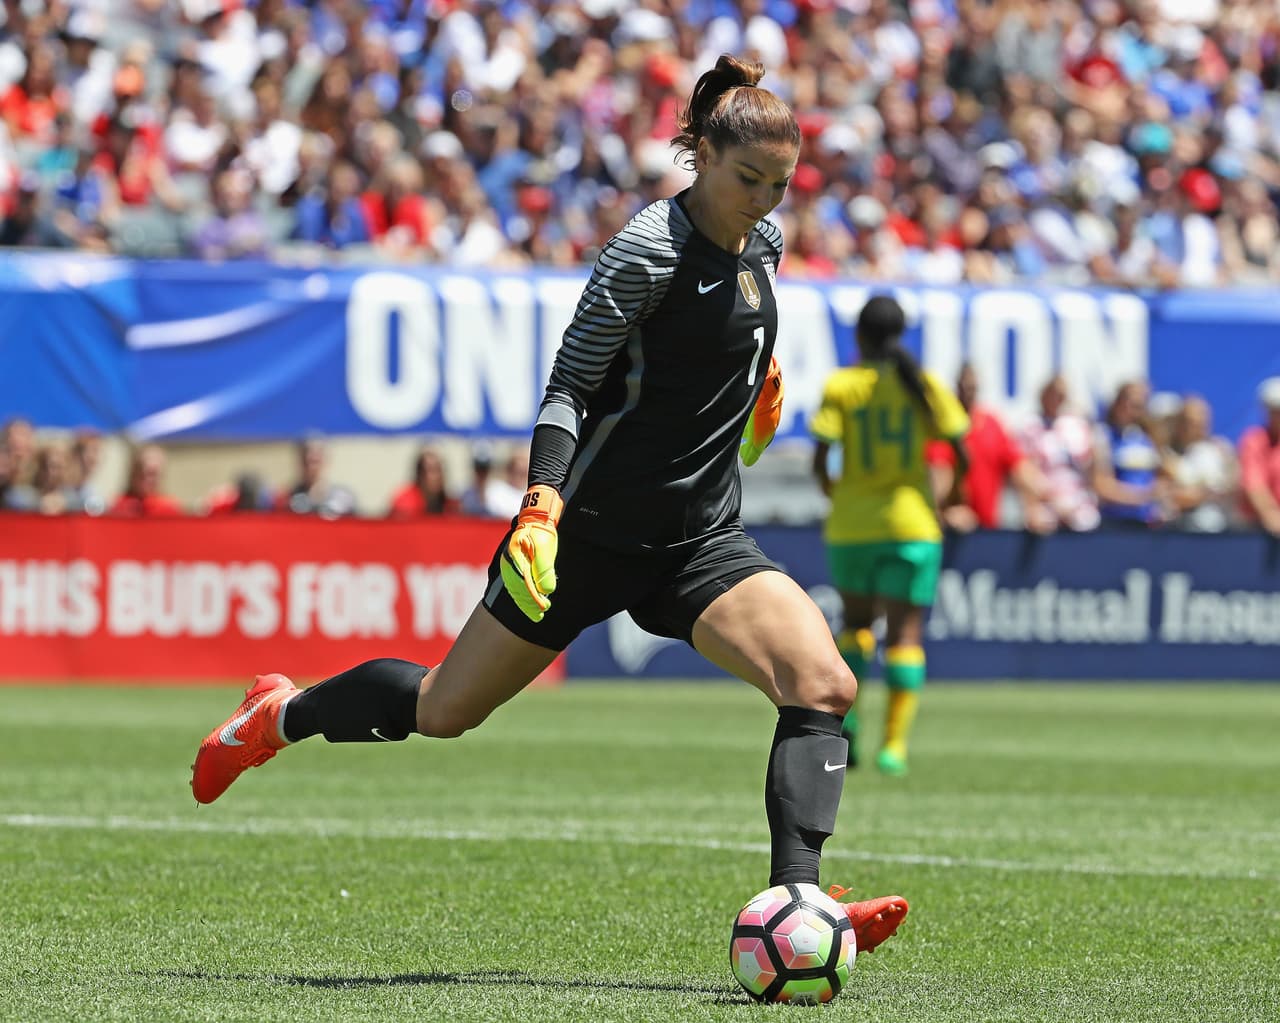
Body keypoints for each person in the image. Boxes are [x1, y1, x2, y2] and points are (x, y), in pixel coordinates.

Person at [190, 55, 908, 955]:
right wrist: (540, 508)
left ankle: (799, 906)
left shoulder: (762, 244)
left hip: (698, 539)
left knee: (824, 683)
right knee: (443, 709)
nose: (764, 200)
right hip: (585, 538)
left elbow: (715, 353)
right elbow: (571, 388)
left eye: (780, 185)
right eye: (748, 179)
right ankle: (278, 714)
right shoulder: (647, 250)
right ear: (701, 159)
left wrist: (757, 392)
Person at [811, 296, 969, 778]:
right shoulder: (923, 384)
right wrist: (949, 497)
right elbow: (961, 452)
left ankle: (850, 725)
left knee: (856, 625)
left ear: (859, 335)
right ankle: (894, 748)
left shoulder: (842, 385)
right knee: (905, 634)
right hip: (911, 526)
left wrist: (838, 495)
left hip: (854, 526)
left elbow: (820, 458)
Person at [927, 363, 1053, 533]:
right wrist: (945, 513)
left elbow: (1019, 467)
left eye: (972, 388)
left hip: (988, 529)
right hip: (953, 533)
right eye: (964, 387)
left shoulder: (991, 424)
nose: (968, 392)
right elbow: (938, 475)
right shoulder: (945, 427)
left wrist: (1034, 506)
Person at [1016, 374, 1100, 532]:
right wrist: (1044, 500)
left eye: (1061, 395)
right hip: (1045, 501)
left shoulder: (1076, 424)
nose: (1057, 400)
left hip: (1078, 502)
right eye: (1053, 394)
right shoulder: (1029, 425)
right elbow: (1024, 470)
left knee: (1088, 522)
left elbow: (1090, 467)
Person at [1091, 380, 1169, 528]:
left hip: (1146, 524)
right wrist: (1142, 496)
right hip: (1115, 524)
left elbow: (1162, 478)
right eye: (1129, 401)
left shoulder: (1146, 438)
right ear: (1117, 402)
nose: (1133, 408)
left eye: (1140, 404)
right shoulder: (1103, 435)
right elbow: (1101, 486)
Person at [1237, 377, 1280, 536]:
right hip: (1260, 530)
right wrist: (1271, 515)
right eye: (1275, 411)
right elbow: (1254, 484)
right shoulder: (1254, 440)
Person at [278, 435, 357, 518]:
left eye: (316, 460)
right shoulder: (286, 499)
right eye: (307, 460)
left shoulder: (344, 499)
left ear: (327, 459)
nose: (312, 466)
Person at [387, 444, 461, 518]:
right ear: (419, 474)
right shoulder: (405, 503)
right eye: (432, 470)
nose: (438, 476)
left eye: (440, 469)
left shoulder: (450, 505)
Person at [109, 444, 184, 516]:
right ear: (132, 471)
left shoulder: (169, 509)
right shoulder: (117, 506)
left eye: (152, 473)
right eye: (140, 469)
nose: (146, 478)